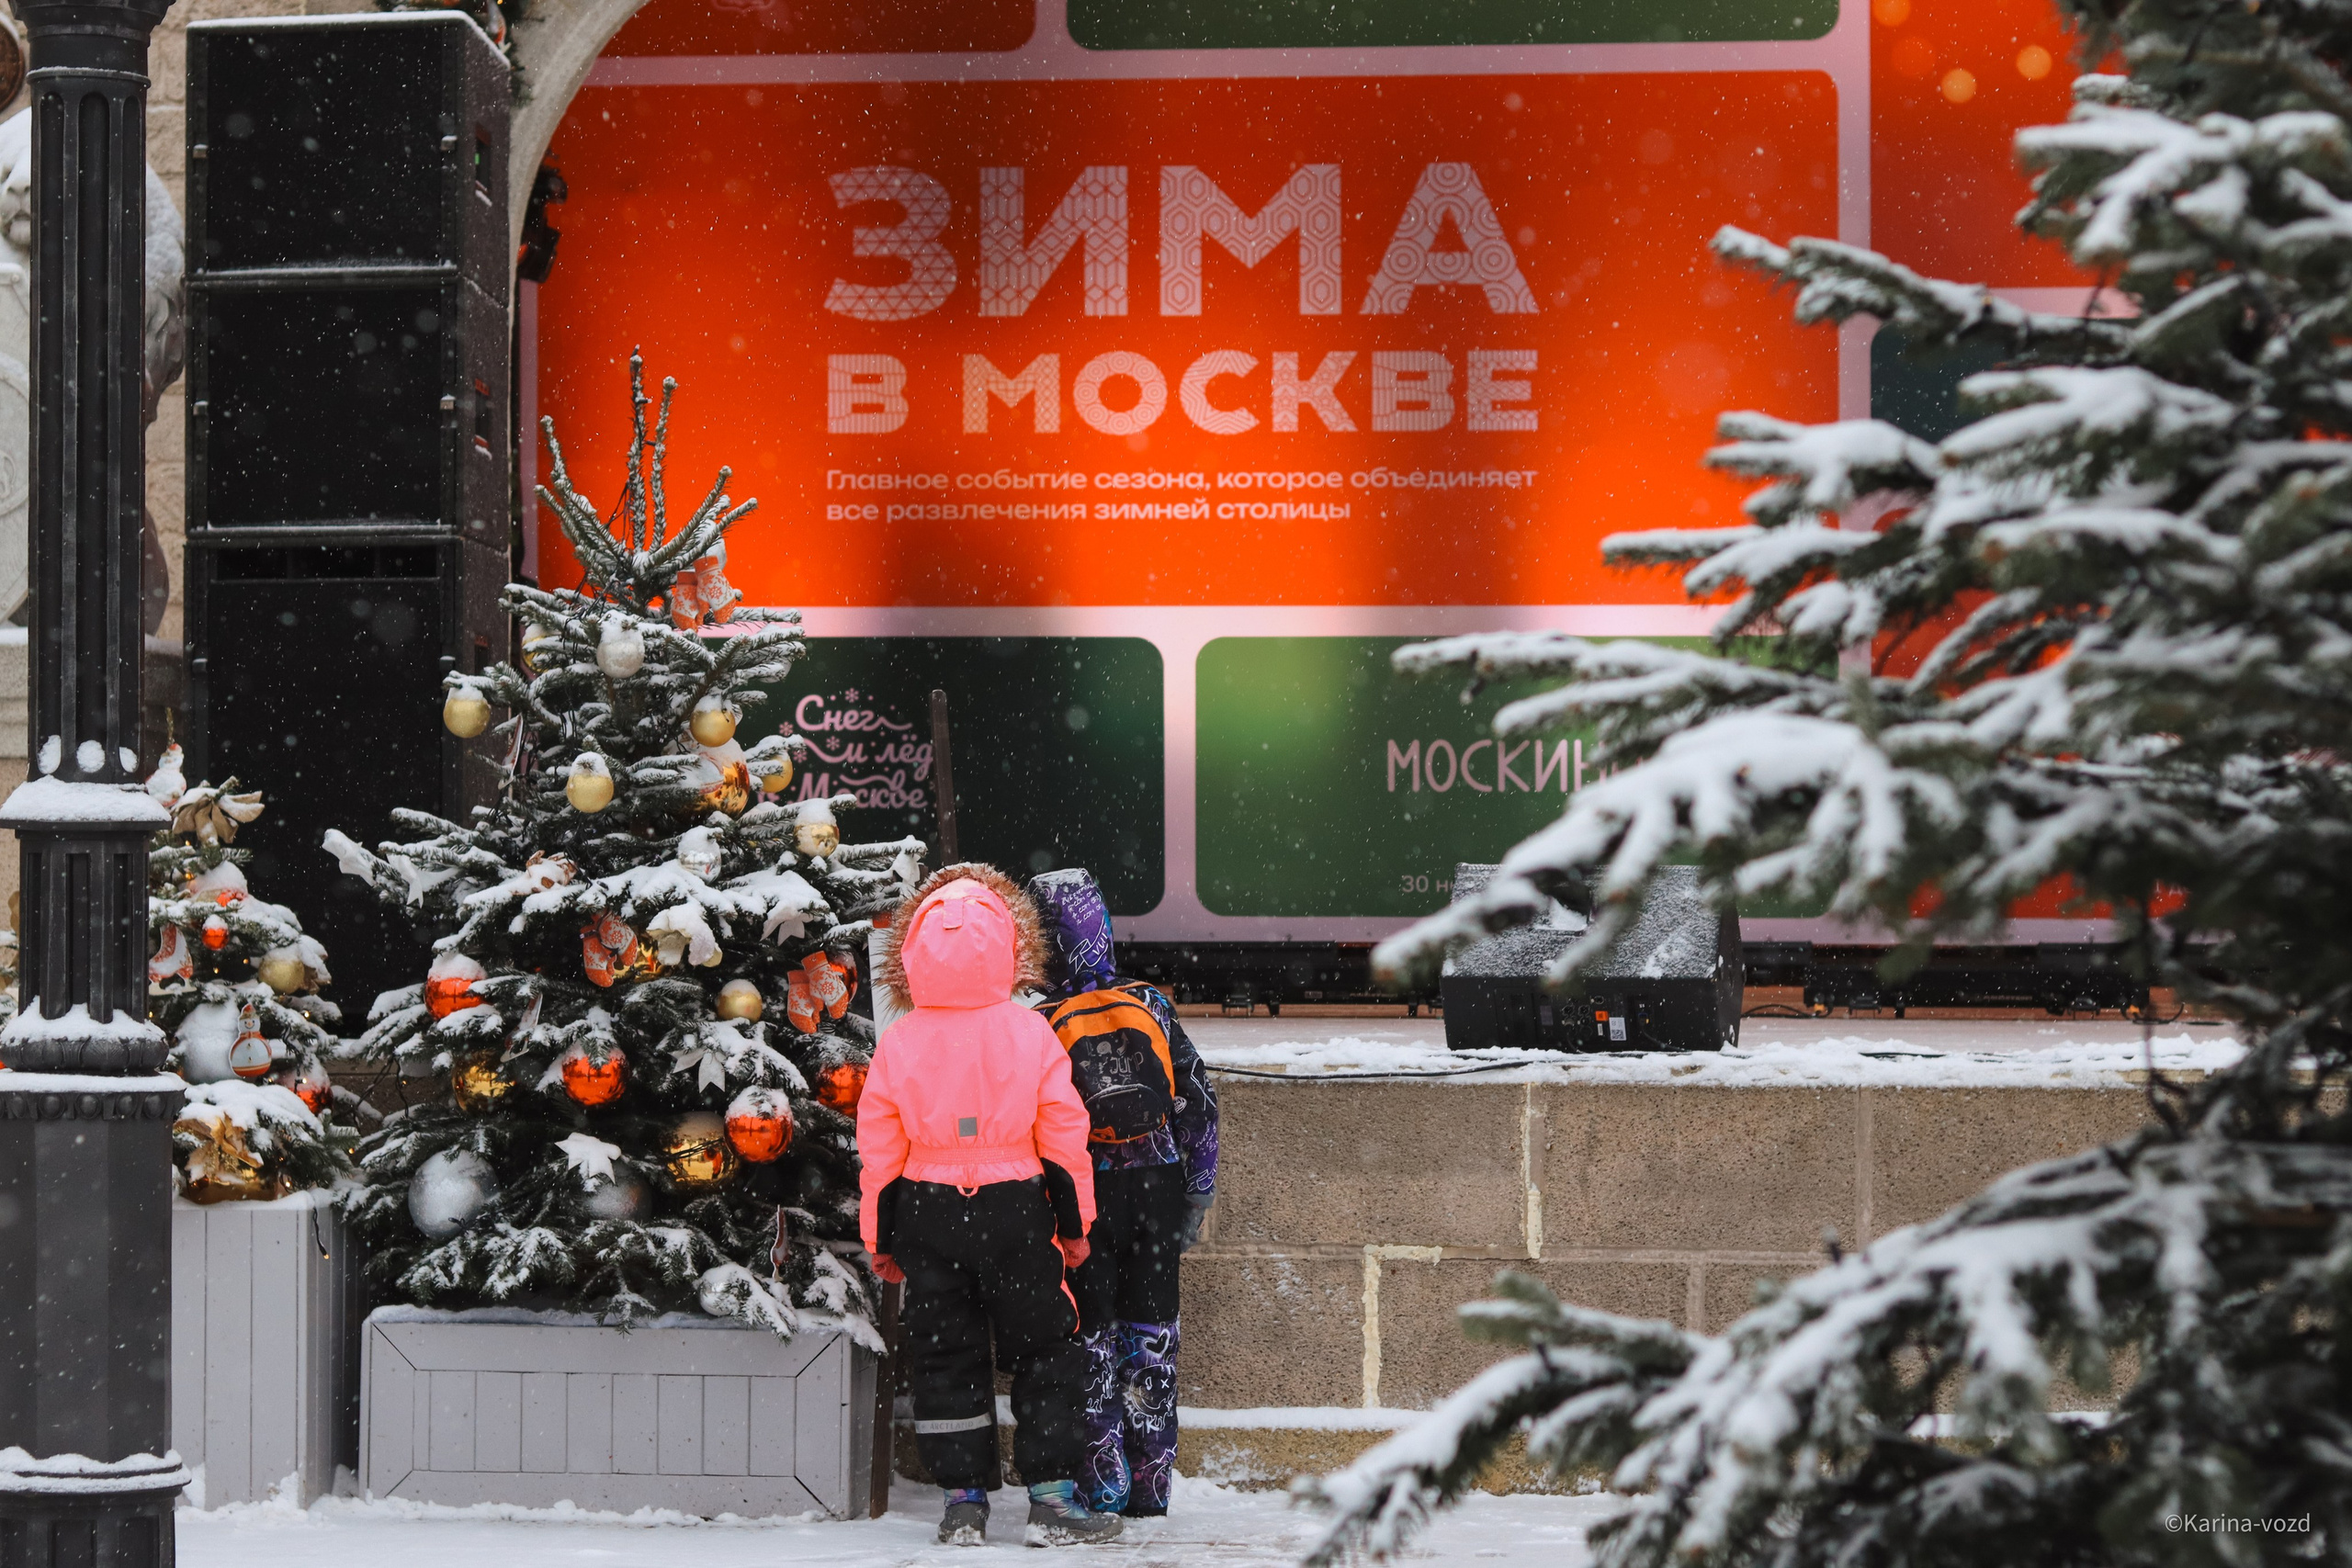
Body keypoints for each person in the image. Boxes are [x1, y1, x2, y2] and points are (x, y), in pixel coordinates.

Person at [859, 863, 1125, 1549]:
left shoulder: (900, 1040)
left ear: (913, 955)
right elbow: (1065, 1137)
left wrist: (881, 1236)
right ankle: (1052, 1499)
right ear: (1009, 949)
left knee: (946, 1353)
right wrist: (1074, 1226)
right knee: (1043, 1348)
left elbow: (880, 1150)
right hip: (1017, 1211)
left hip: (926, 1208)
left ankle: (963, 1502)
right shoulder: (1030, 1032)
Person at [1028, 867, 1219, 1518]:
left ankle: (1101, 1483)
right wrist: (1197, 1190)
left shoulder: (1041, 1019)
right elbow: (1198, 1100)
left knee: (1093, 1337)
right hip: (1159, 1187)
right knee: (1153, 1333)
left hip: (1084, 1197)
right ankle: (1152, 1483)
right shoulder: (1151, 1002)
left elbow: (1033, 1123)